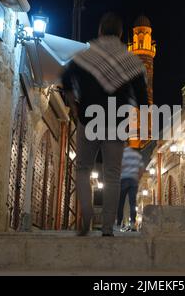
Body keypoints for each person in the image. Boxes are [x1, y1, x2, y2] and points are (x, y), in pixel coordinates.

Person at [61, 12, 148, 237]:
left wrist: (74, 104)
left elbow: (66, 78)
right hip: (117, 124)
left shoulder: (86, 53)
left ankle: (87, 212)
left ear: (100, 30)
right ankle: (108, 227)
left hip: (88, 119)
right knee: (112, 174)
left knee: (82, 168)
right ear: (121, 33)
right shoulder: (131, 60)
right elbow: (142, 99)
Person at [117, 145, 145, 232]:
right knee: (133, 202)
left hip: (124, 179)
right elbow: (141, 168)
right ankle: (133, 223)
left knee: (120, 202)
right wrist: (138, 178)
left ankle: (118, 224)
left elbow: (120, 166)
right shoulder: (137, 155)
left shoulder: (122, 154)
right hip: (134, 180)